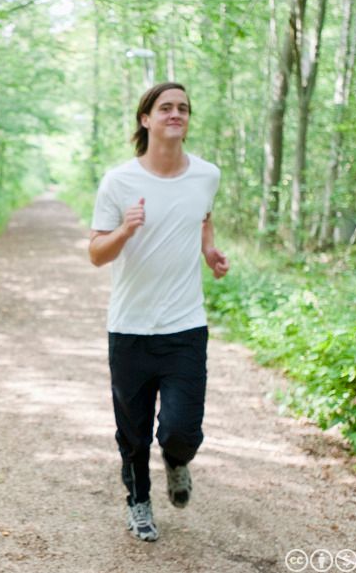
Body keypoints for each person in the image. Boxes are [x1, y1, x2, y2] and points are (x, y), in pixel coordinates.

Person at [88, 82, 230, 542]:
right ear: (145, 119)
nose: (176, 113)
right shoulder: (119, 182)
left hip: (186, 327)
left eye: (183, 108)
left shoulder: (207, 175)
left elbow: (203, 215)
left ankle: (177, 458)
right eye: (166, 107)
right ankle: (139, 502)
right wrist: (125, 231)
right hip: (129, 328)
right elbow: (95, 253)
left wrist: (209, 251)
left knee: (180, 430)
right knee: (132, 433)